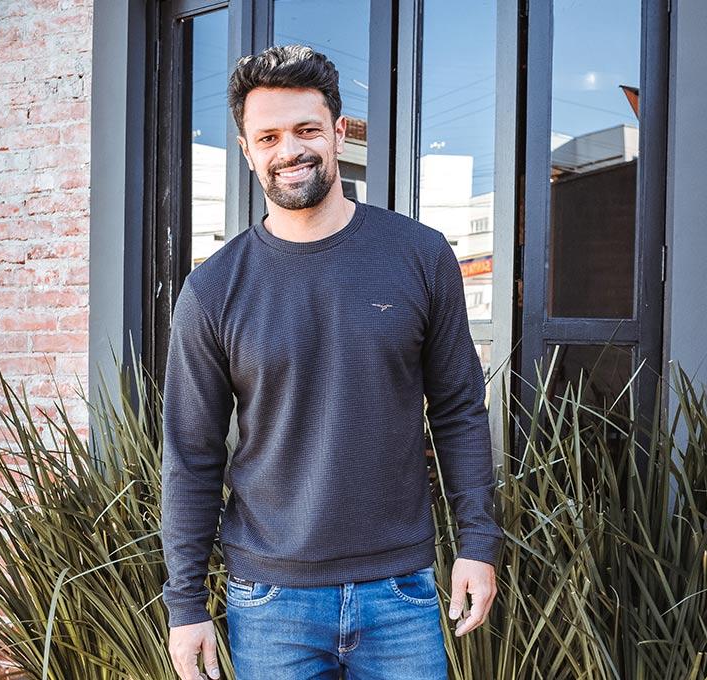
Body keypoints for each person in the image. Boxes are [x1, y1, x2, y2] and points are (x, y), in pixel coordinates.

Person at [161, 44, 504, 680]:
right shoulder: (213, 290)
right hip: (270, 600)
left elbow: (458, 410)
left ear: (339, 132)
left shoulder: (419, 255)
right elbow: (191, 453)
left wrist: (478, 543)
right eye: (268, 137)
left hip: (399, 590)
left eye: (307, 129)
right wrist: (185, 605)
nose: (289, 150)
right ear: (246, 150)